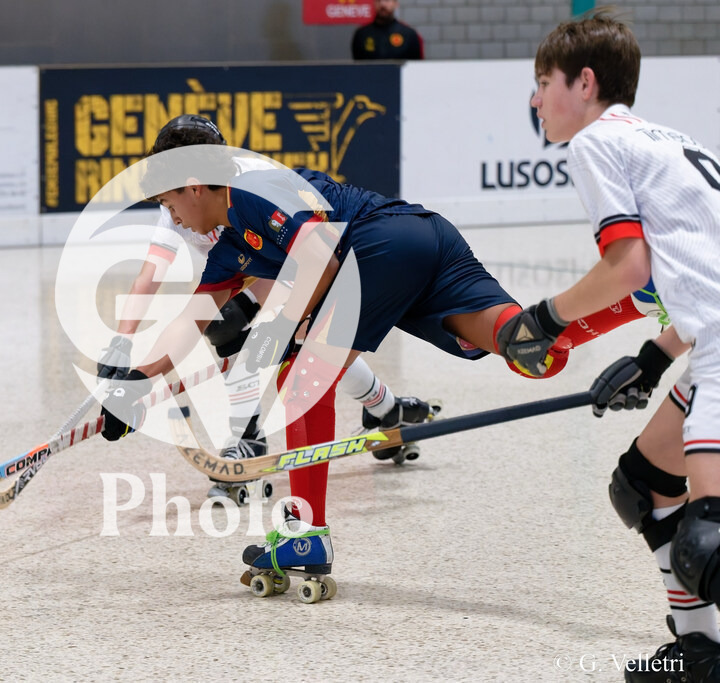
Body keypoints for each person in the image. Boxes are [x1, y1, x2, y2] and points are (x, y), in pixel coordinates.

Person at [101, 127, 663, 598]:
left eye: (169, 203)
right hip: (425, 237)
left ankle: (307, 532)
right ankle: (637, 301)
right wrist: (136, 385)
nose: (172, 217)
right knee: (530, 351)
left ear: (194, 185)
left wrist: (295, 328)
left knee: (302, 375)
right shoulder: (228, 246)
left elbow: (319, 252)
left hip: (379, 243)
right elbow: (192, 322)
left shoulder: (257, 187)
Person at [498, 11, 720, 680]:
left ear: (584, 82)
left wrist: (544, 317)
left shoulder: (594, 143)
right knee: (644, 482)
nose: (535, 99)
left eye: (543, 82)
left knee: (709, 543)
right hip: (707, 339)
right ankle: (699, 650)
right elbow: (693, 274)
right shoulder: (663, 137)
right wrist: (654, 358)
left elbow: (626, 267)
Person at [100, 115, 437, 504]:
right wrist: (126, 352)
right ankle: (376, 409)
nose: (172, 212)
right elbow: (152, 279)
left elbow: (310, 258)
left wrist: (281, 328)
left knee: (296, 343)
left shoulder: (251, 184)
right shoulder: (175, 204)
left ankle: (255, 432)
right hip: (239, 267)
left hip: (295, 260)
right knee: (238, 327)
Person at [351, 0, 424, 61]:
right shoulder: (362, 34)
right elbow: (358, 65)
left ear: (396, 4)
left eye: (387, 0)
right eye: (378, 1)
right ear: (374, 3)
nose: (382, 4)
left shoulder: (409, 34)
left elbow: (416, 66)